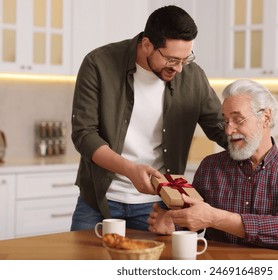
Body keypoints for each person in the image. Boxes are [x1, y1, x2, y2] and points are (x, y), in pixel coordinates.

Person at [70, 5, 227, 232]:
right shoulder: (99, 64)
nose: (180, 69)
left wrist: (271, 153)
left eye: (186, 59)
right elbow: (84, 135)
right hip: (98, 200)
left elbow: (222, 128)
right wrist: (130, 170)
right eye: (172, 59)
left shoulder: (193, 77)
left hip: (157, 208)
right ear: (147, 45)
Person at [148, 79, 278, 253]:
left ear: (265, 118)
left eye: (237, 119)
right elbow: (195, 217)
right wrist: (173, 223)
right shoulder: (210, 166)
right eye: (226, 121)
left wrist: (215, 218)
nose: (228, 130)